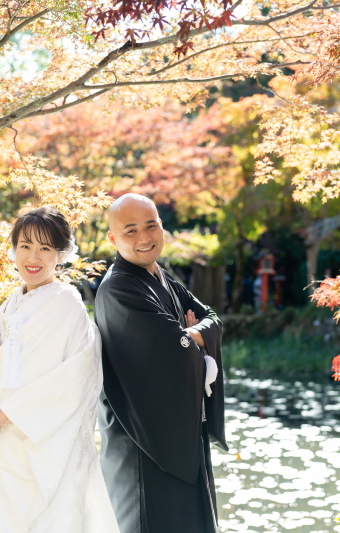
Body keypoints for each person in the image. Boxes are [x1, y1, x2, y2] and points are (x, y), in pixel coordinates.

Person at [0, 207, 120, 533]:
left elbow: (73, 380)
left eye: (45, 248)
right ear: (13, 249)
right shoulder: (9, 305)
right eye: (25, 245)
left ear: (60, 255)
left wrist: (4, 414)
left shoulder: (68, 304)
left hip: (40, 443)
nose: (34, 256)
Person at [95, 193, 227, 533]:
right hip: (141, 439)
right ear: (113, 238)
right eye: (131, 230)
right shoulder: (118, 289)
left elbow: (213, 320)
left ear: (162, 228)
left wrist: (187, 334)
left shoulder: (163, 278)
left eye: (151, 226)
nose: (144, 238)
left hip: (179, 430)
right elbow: (171, 349)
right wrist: (185, 337)